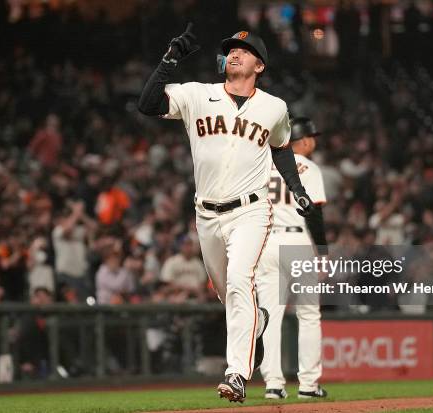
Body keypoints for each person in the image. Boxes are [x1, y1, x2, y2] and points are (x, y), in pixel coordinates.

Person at [138, 24, 318, 402]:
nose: (234, 53)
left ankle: (237, 373)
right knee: (229, 293)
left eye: (244, 49)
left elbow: (282, 148)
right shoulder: (198, 95)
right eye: (231, 49)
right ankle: (258, 322)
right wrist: (171, 59)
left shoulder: (274, 107)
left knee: (239, 281)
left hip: (251, 212)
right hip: (206, 215)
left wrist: (297, 190)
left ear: (260, 66)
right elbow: (148, 103)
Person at [256, 117, 328, 399]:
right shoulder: (308, 167)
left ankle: (273, 384)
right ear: (305, 140)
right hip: (298, 241)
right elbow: (315, 213)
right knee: (309, 315)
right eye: (313, 137)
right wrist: (322, 252)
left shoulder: (262, 165)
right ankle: (309, 385)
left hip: (266, 242)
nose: (315, 142)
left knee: (270, 315)